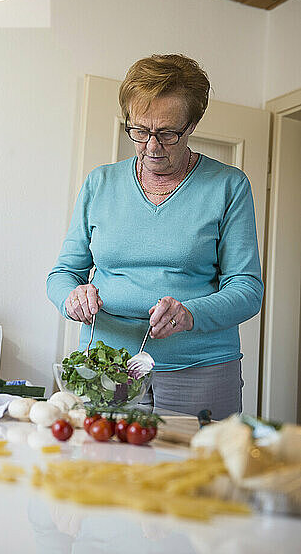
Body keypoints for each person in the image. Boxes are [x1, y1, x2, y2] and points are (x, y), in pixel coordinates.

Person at [47, 54, 263, 420]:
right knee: (102, 473)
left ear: (192, 124)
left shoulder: (229, 186)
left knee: (196, 475)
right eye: (139, 131)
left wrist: (190, 313)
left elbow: (247, 290)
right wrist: (71, 297)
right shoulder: (100, 183)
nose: (151, 146)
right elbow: (62, 274)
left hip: (199, 369)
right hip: (106, 369)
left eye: (167, 133)